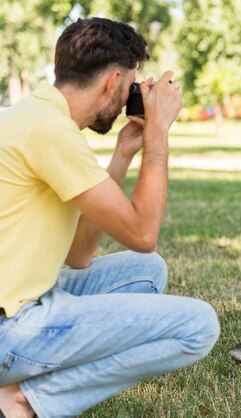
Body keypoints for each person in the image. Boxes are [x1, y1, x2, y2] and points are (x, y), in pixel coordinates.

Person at [0, 18, 219, 417]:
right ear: (113, 80)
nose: (126, 100)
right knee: (198, 326)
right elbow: (142, 232)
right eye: (130, 86)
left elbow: (78, 256)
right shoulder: (50, 132)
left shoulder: (37, 118)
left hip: (21, 299)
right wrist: (157, 138)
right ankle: (24, 403)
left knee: (146, 271)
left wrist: (123, 154)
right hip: (10, 328)